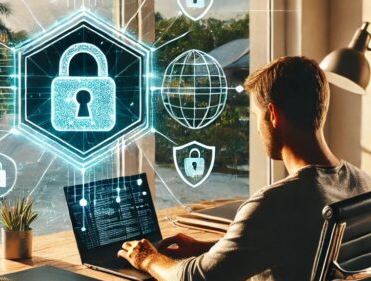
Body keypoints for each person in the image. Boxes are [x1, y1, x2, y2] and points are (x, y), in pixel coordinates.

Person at [118, 56, 371, 280]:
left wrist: (147, 258)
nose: (258, 129)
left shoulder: (274, 204)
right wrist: (212, 248)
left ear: (272, 115)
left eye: (255, 115)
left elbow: (192, 278)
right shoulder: (363, 183)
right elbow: (298, 244)